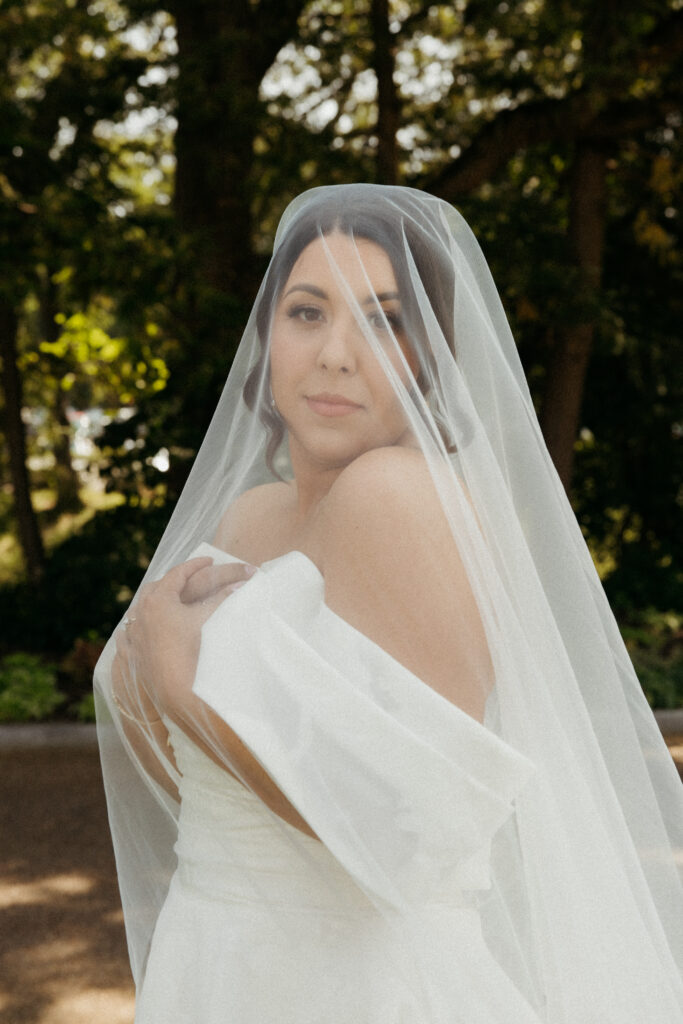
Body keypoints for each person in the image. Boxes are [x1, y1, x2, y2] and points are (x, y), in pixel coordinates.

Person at [94, 184, 683, 1024]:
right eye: (307, 312)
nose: (336, 353)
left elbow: (409, 840)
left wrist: (176, 678)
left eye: (382, 320)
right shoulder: (249, 515)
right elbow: (212, 792)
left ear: (427, 356)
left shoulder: (397, 496)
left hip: (359, 989)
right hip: (219, 957)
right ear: (266, 336)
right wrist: (164, 698)